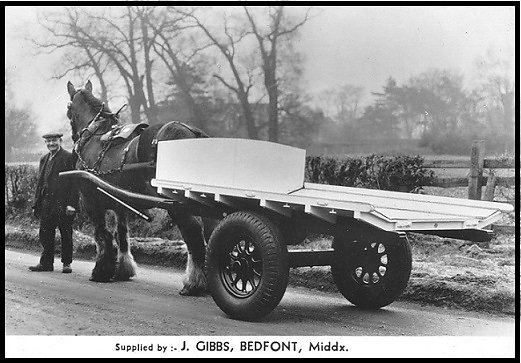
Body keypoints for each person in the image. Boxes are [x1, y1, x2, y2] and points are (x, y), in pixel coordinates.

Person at [30, 132, 79, 273]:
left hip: (63, 203)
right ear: (45, 143)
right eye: (49, 141)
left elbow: (74, 183)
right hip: (46, 203)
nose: (51, 143)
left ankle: (66, 264)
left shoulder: (68, 157)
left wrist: (72, 204)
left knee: (66, 233)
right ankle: (46, 263)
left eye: (54, 141)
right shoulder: (44, 159)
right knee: (45, 233)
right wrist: (36, 204)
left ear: (60, 141)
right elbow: (40, 183)